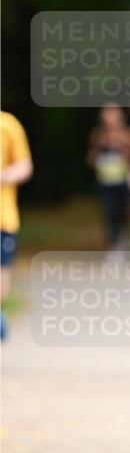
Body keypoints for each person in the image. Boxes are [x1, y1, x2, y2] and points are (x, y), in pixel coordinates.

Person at [0, 111, 33, 340]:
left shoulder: (8, 124)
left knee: (2, 270)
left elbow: (24, 166)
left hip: (3, 216)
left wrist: (4, 176)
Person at [86, 104, 130, 250]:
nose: (109, 116)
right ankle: (113, 245)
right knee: (109, 214)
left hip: (124, 181)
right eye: (107, 112)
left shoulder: (127, 134)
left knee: (125, 213)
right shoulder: (97, 135)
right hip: (105, 182)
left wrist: (121, 146)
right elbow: (91, 159)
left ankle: (127, 242)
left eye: (113, 112)